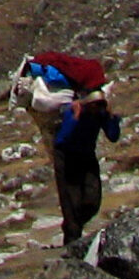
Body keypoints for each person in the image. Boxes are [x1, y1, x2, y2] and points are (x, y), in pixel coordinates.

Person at [51, 88, 119, 246]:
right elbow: (62, 139)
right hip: (66, 159)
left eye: (100, 105)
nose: (97, 108)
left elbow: (113, 136)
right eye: (95, 105)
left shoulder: (100, 115)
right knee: (72, 203)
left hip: (87, 156)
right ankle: (71, 241)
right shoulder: (72, 113)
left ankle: (73, 226)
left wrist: (111, 118)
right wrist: (75, 117)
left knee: (93, 200)